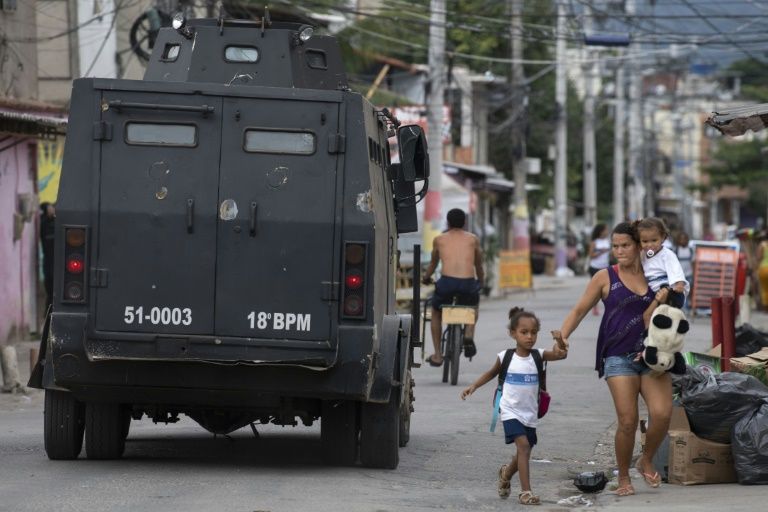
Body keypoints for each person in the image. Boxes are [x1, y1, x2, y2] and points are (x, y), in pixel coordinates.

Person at [554, 221, 672, 497]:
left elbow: (677, 300)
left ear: (639, 245)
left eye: (625, 245)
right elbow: (579, 310)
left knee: (662, 413)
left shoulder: (656, 272)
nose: (619, 251)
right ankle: (623, 476)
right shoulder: (605, 277)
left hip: (655, 355)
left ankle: (645, 459)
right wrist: (563, 336)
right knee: (628, 421)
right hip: (618, 356)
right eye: (615, 246)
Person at [460, 307, 567, 505]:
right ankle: (526, 492)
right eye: (524, 332)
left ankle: (506, 474)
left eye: (533, 333)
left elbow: (561, 354)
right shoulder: (505, 357)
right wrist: (474, 386)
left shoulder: (539, 355)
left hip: (530, 413)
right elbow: (491, 373)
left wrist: (559, 340)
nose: (529, 337)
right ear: (513, 333)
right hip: (509, 411)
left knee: (523, 453)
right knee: (524, 447)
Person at [422, 208, 484, 366]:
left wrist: (426, 277)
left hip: (447, 283)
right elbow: (478, 265)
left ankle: (437, 354)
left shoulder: (439, 239)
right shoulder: (473, 239)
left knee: (436, 312)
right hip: (467, 283)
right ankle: (468, 333)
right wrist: (481, 282)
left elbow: (433, 263)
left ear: (448, 223)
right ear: (464, 222)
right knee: (472, 305)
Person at [636, 217, 688, 312]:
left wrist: (679, 284)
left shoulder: (667, 254)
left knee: (667, 297)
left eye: (654, 240)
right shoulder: (642, 255)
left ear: (663, 238)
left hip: (669, 288)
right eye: (645, 241)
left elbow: (676, 269)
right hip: (652, 290)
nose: (650, 245)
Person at [587, 223, 611, 315]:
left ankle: (608, 307)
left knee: (607, 288)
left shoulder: (607, 241)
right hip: (595, 267)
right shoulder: (594, 242)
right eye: (605, 230)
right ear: (600, 231)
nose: (606, 232)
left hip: (605, 267)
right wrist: (601, 251)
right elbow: (591, 255)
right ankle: (595, 307)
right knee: (596, 289)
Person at [40, 202, 56, 311]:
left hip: (55, 265)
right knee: (50, 294)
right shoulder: (45, 224)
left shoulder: (55, 223)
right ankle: (47, 316)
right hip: (49, 265)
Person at [673, 231, 694, 310]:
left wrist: (694, 274)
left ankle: (687, 306)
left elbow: (693, 262)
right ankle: (682, 307)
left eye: (684, 239)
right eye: (681, 239)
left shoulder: (690, 250)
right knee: (681, 291)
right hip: (680, 276)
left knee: (688, 292)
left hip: (689, 274)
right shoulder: (676, 250)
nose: (683, 241)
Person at [758, 232, 768, 311]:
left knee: (764, 289)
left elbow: (759, 257)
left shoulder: (762, 245)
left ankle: (766, 308)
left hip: (763, 269)